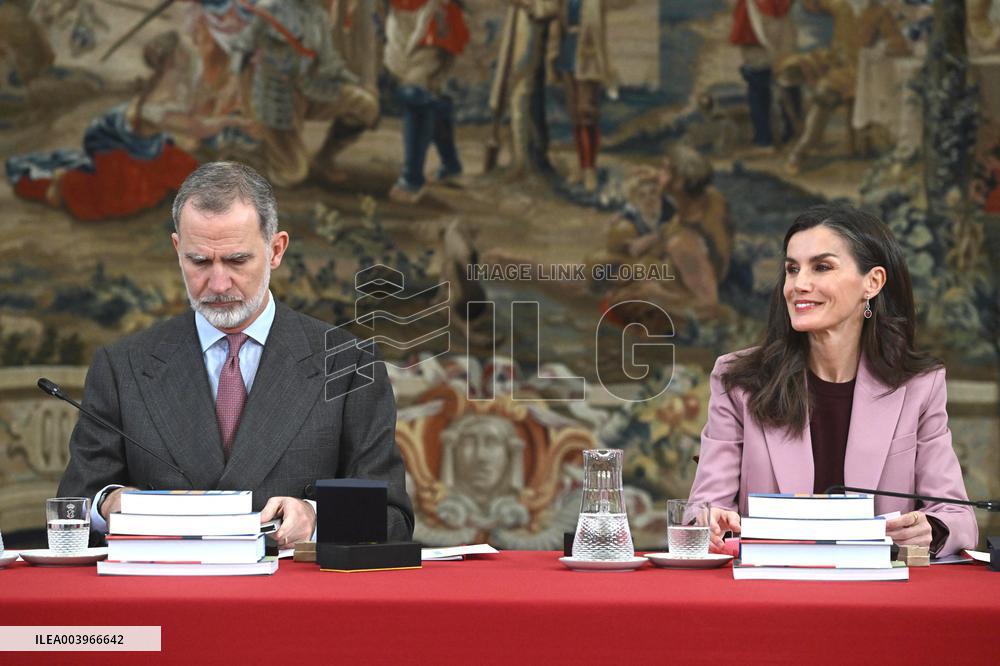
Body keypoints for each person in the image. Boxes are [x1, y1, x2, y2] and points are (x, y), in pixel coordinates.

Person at [57, 161, 414, 547]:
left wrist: (315, 516)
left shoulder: (349, 363)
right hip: (165, 597)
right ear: (178, 250)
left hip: (291, 600)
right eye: (199, 261)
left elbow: (391, 517)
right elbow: (73, 505)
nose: (218, 282)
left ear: (276, 250)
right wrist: (108, 504)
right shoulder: (121, 366)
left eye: (236, 260)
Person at [687, 204, 978, 557]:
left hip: (878, 597)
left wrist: (931, 529)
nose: (799, 285)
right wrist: (709, 522)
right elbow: (701, 510)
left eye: (821, 267)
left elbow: (957, 517)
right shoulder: (739, 381)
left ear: (872, 282)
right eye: (792, 269)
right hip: (769, 591)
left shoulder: (919, 385)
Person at [384, 0, 469, 203]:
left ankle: (412, 179)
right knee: (429, 95)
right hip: (401, 15)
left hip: (434, 13)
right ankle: (451, 165)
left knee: (415, 93)